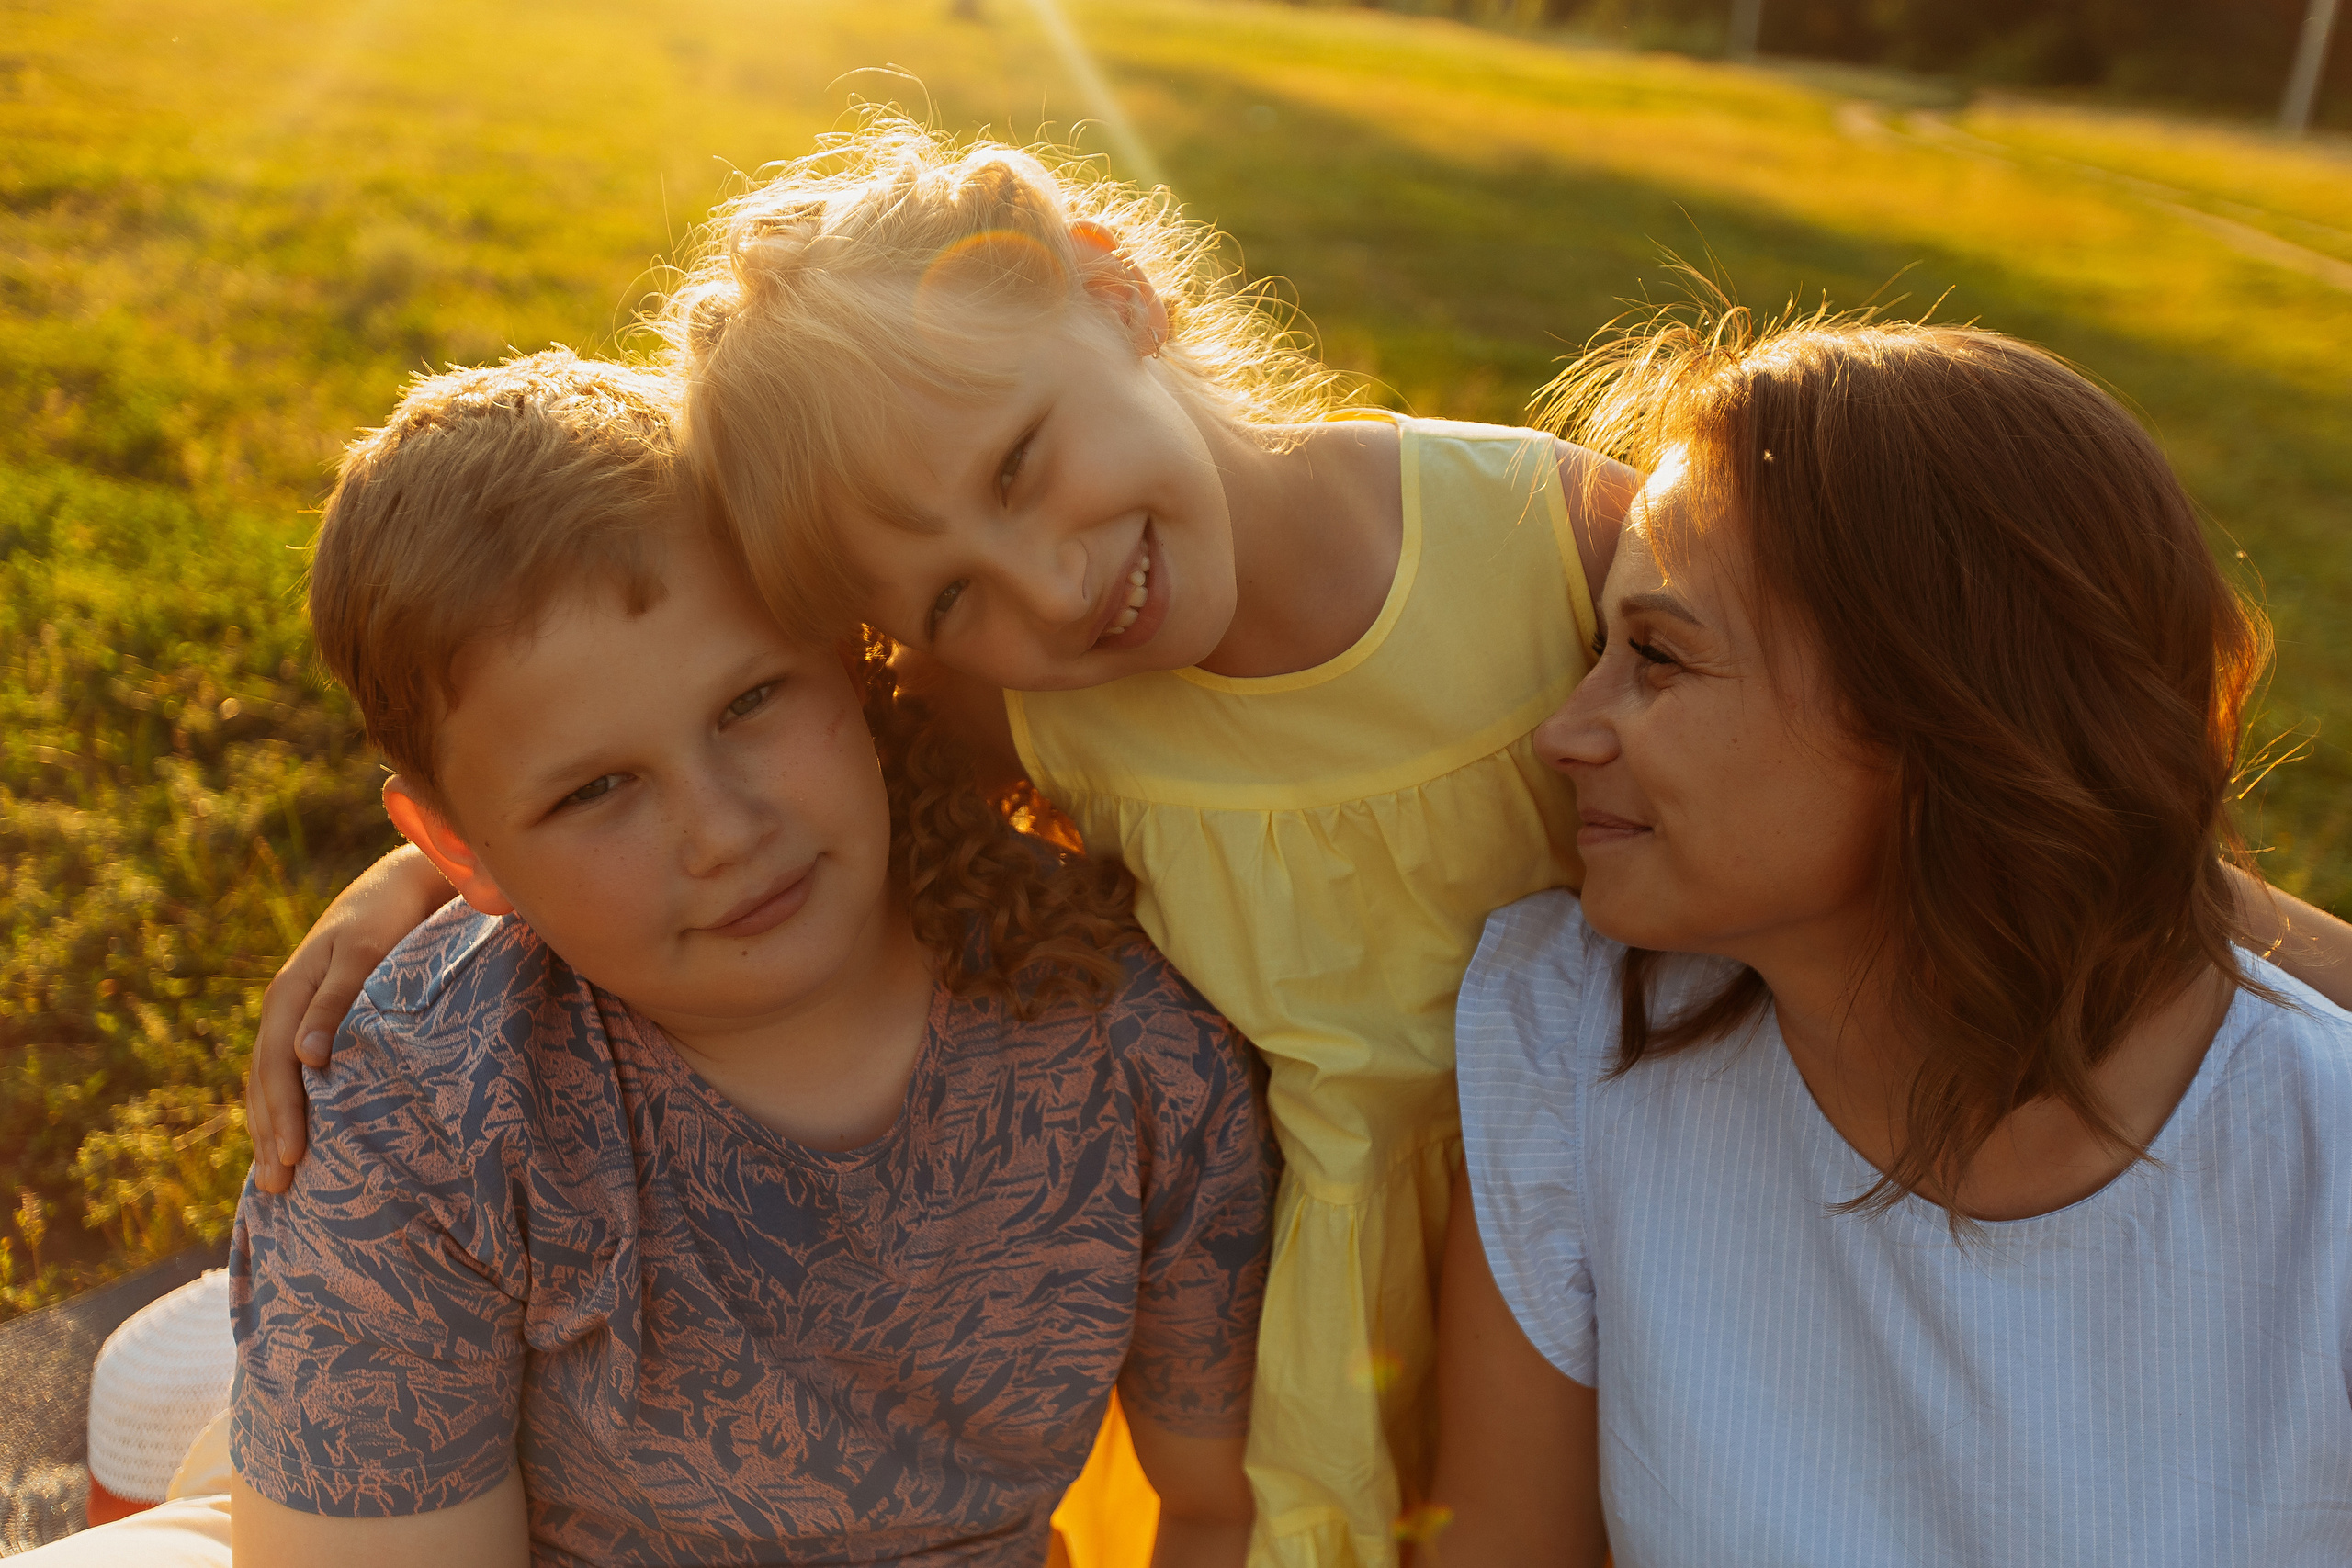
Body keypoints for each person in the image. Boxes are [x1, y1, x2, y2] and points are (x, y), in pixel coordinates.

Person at [246, 125, 2352, 1568]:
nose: (1044, 580)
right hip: (1310, 1272)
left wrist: (2224, 918)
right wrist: (436, 873)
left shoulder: (1545, 537)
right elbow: (715, 729)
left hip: (1640, 1188)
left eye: (1023, 463)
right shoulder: (1031, 697)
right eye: (952, 591)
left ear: (1113, 283)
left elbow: (1863, 701)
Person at [212, 350, 1272, 1568]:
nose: (724, 832)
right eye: (598, 790)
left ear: (850, 658)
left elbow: (1214, 1507)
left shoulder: (1130, 1037)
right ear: (460, 849)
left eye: (752, 701)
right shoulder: (421, 1117)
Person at [1435, 309, 2352, 1564]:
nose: (1568, 732)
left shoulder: (2321, 1166)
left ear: (1943, 709)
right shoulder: (1569, 1042)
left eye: (1657, 659)